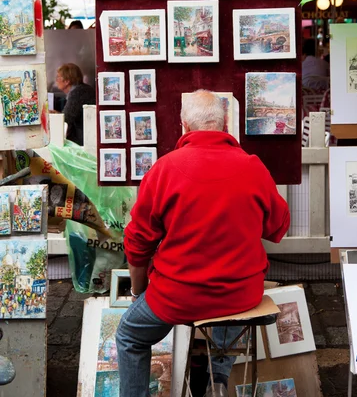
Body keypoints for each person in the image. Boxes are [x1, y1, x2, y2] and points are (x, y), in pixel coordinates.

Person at [116, 90, 290, 397]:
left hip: (178, 296)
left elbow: (138, 241)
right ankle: (217, 379)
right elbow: (278, 227)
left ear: (183, 125)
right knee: (230, 301)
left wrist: (137, 291)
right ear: (224, 126)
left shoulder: (164, 169)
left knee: (130, 335)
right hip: (240, 293)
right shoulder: (252, 167)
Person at [55, 63, 95, 145]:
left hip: (84, 140)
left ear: (67, 81)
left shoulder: (78, 92)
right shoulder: (82, 89)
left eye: (58, 77)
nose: (56, 80)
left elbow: (66, 119)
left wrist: (55, 116)